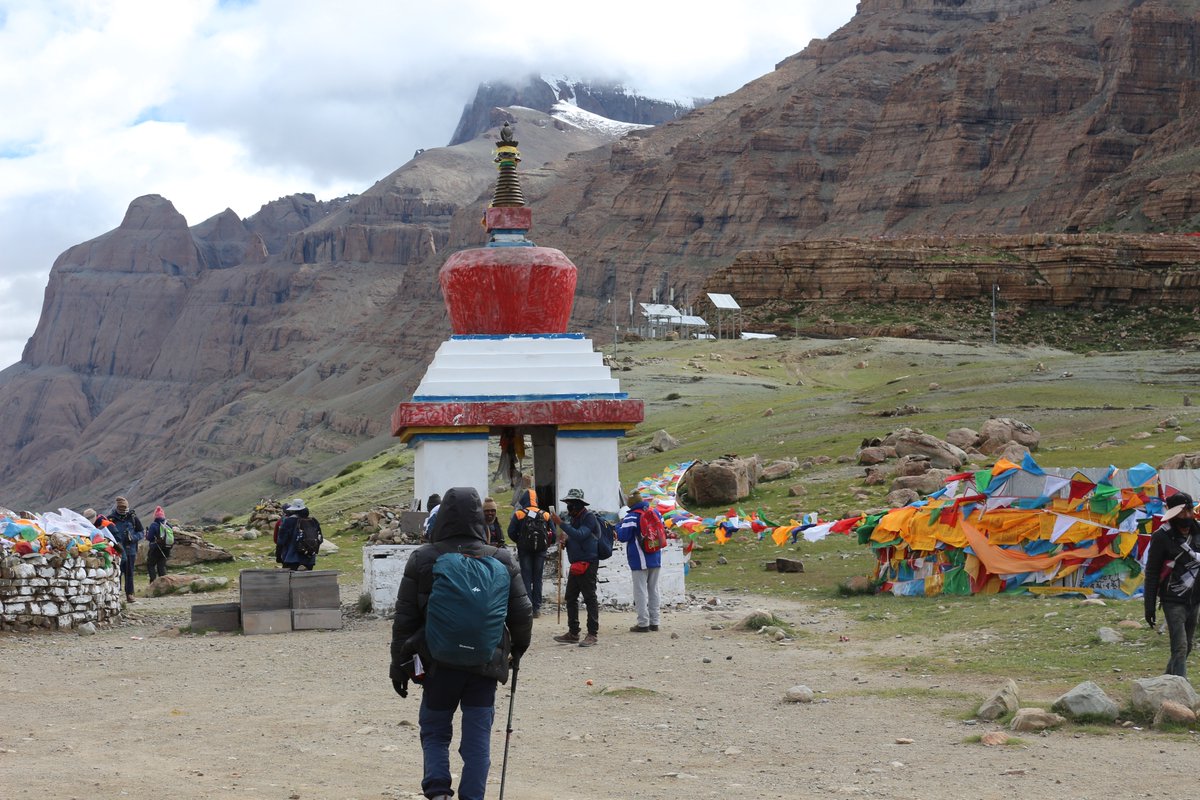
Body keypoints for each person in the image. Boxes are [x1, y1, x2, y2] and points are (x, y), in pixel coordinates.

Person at [390, 486, 532, 800]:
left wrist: (398, 668)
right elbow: (522, 613)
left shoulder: (424, 558)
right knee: (477, 741)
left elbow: (404, 619)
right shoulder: (501, 558)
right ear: (480, 519)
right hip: (485, 663)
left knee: (436, 732)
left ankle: (439, 792)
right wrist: (517, 650)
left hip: (437, 662)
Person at [1145, 492, 1200, 677]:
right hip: (1172, 599)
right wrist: (1149, 606)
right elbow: (1152, 572)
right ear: (1173, 514)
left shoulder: (1198, 532)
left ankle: (1167, 683)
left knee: (1188, 646)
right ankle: (1180, 692)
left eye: (1189, 510)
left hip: (1195, 598)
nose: (1186, 516)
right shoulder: (1161, 537)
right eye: (1182, 512)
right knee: (1180, 647)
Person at [551, 488, 601, 647]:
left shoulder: (589, 518)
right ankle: (573, 632)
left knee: (589, 598)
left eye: (571, 505)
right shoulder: (574, 518)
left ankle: (592, 634)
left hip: (588, 563)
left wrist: (560, 524)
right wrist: (566, 542)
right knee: (570, 598)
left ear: (579, 505)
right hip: (576, 564)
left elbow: (581, 534)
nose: (568, 508)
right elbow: (576, 538)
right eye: (567, 505)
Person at [617, 491, 663, 633]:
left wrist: (618, 526)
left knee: (640, 591)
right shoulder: (655, 512)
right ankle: (655, 622)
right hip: (655, 556)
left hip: (639, 559)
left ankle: (643, 623)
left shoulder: (631, 516)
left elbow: (623, 536)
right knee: (654, 589)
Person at [507, 488, 553, 618]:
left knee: (526, 577)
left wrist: (520, 541)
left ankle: (527, 607)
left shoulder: (519, 514)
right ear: (536, 500)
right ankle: (537, 608)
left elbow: (510, 532)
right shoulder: (545, 514)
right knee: (538, 579)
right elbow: (554, 535)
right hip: (541, 552)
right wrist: (545, 545)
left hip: (524, 550)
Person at [108, 496, 144, 603]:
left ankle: (130, 594)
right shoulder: (111, 519)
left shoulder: (133, 518)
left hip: (130, 550)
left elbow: (141, 532)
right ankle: (116, 594)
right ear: (117, 507)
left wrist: (132, 538)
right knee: (117, 573)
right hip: (117, 550)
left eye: (125, 508)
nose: (123, 510)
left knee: (129, 573)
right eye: (121, 508)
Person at [277, 498, 320, 571]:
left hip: (291, 559)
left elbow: (281, 540)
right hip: (309, 559)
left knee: (289, 581)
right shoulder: (313, 521)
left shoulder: (288, 521)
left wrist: (278, 555)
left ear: (293, 510)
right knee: (306, 581)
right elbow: (319, 538)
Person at [144, 506, 172, 584]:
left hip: (155, 548)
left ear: (155, 516)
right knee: (161, 566)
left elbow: (150, 538)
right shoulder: (168, 525)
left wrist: (146, 536)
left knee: (151, 564)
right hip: (166, 548)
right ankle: (163, 583)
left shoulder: (154, 525)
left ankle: (153, 583)